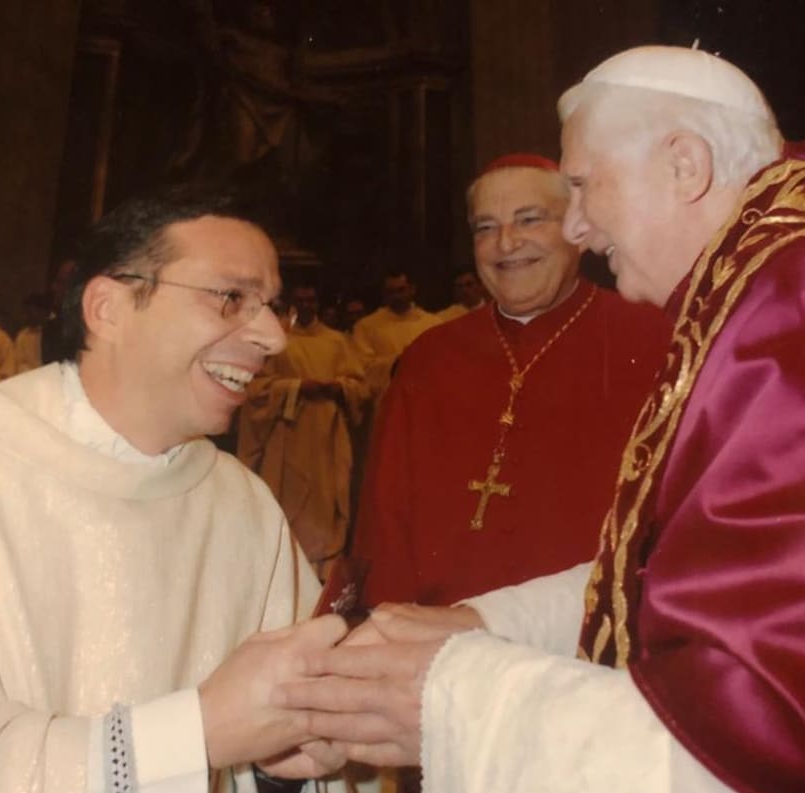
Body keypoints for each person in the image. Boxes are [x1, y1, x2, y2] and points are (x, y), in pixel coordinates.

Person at [279, 45, 805, 793]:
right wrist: (484, 627)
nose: (576, 228)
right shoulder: (776, 284)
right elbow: (689, 578)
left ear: (684, 165)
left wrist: (453, 692)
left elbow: (781, 734)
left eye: (583, 186)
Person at [0, 192, 358, 793]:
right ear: (108, 308)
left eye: (271, 307)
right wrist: (189, 737)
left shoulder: (242, 505)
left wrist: (275, 759)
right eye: (231, 299)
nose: (272, 336)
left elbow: (287, 735)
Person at [355, 153, 670, 607]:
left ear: (578, 231)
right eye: (485, 227)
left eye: (529, 219)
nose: (506, 243)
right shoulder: (430, 358)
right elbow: (384, 524)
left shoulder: (649, 340)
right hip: (439, 647)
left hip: (585, 644)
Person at [238, 281, 370, 575]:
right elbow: (258, 388)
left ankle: (325, 568)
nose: (308, 305)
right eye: (302, 300)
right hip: (289, 433)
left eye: (312, 299)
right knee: (291, 495)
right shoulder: (280, 341)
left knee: (327, 498)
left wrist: (338, 387)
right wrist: (298, 387)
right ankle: (288, 567)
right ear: (293, 304)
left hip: (328, 433)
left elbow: (360, 386)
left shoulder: (336, 341)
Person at [350, 272, 440, 401]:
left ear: (412, 289)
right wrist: (396, 362)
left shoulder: (432, 323)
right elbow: (363, 368)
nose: (396, 296)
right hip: (387, 398)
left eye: (400, 290)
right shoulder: (366, 326)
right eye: (390, 292)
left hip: (425, 396)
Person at [14, 291, 48, 374]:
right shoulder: (22, 336)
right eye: (26, 312)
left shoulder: (51, 333)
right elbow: (19, 363)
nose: (28, 316)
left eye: (31, 312)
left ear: (42, 311)